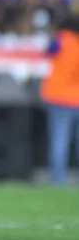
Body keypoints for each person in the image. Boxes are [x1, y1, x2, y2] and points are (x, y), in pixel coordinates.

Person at [39, 13, 79, 185]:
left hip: (59, 97)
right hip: (77, 98)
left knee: (59, 139)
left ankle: (57, 178)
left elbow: (46, 52)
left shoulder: (60, 40)